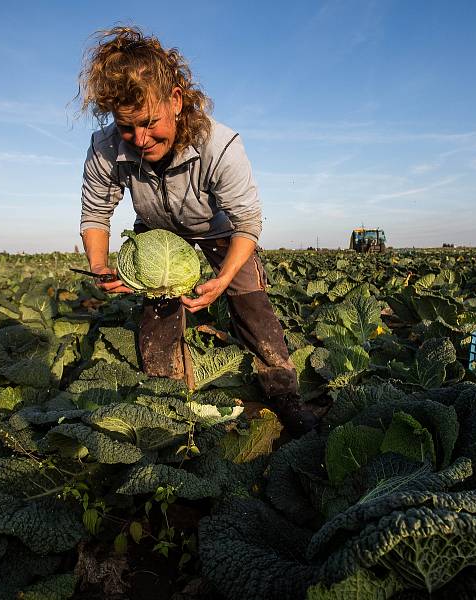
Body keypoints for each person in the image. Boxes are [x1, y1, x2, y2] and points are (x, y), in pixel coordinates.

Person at [77, 26, 317, 437]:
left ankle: (284, 392)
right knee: (158, 318)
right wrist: (99, 265)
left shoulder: (219, 145)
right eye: (126, 127)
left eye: (149, 123)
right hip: (155, 236)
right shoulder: (105, 148)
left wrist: (223, 279)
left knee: (252, 304)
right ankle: (169, 405)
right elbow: (96, 212)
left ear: (176, 100)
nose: (140, 139)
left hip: (219, 232)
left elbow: (247, 223)